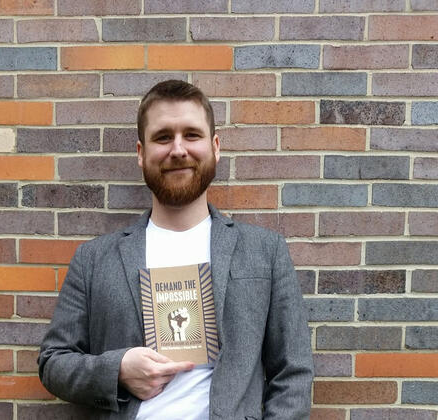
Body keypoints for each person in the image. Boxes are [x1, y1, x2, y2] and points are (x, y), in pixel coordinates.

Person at [38, 80, 313, 419]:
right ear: (141, 153)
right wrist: (118, 370)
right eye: (163, 137)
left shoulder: (265, 251)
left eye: (192, 135)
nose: (178, 149)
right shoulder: (94, 259)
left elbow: (294, 372)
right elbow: (53, 362)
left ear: (215, 147)